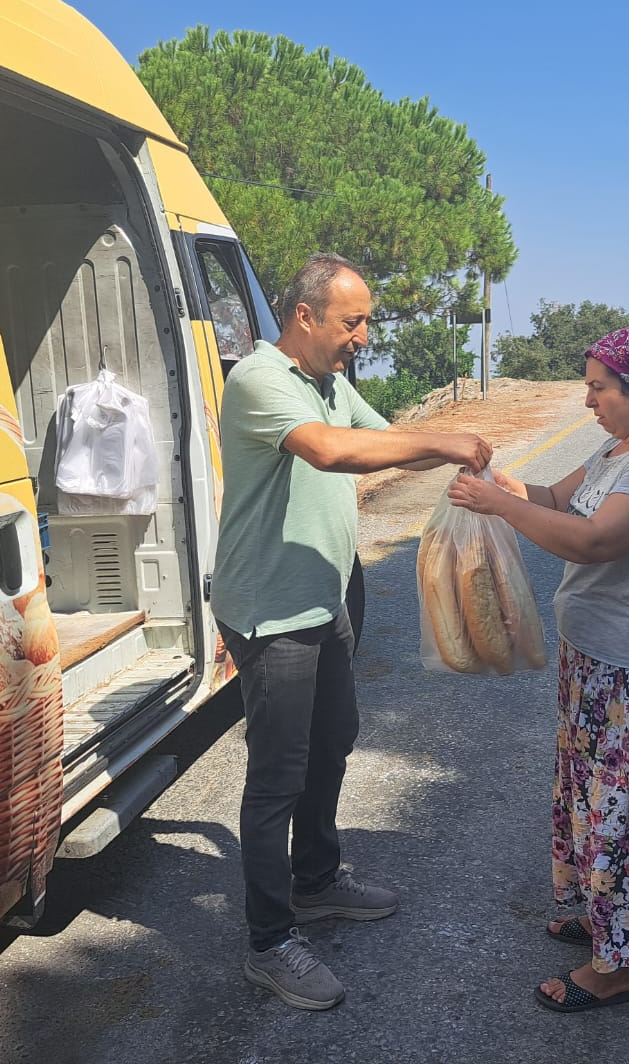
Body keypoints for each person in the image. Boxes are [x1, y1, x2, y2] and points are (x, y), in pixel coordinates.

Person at [213, 252, 493, 1011]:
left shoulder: (329, 381)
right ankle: (268, 942)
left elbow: (383, 435)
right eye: (352, 320)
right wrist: (444, 445)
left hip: (329, 592)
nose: (364, 335)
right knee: (278, 775)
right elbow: (333, 451)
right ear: (305, 317)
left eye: (365, 320)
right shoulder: (260, 380)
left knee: (332, 742)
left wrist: (455, 438)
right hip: (273, 609)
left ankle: (315, 882)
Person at [448, 326, 629, 1013]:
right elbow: (557, 503)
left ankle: (617, 970)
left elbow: (596, 540)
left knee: (625, 815)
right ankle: (596, 919)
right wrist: (510, 486)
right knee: (590, 801)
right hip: (598, 665)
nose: (588, 400)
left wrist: (499, 506)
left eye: (599, 387)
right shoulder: (619, 447)